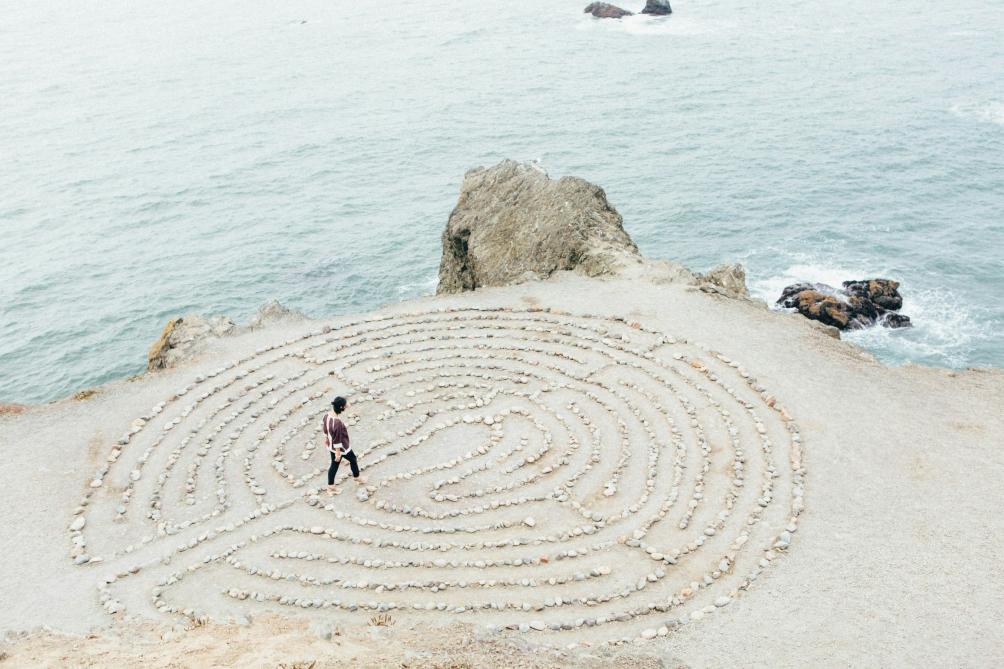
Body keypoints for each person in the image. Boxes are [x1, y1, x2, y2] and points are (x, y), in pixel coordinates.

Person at [321, 396, 363, 495]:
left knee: (334, 465)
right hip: (341, 448)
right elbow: (337, 439)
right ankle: (357, 478)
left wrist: (326, 438)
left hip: (331, 446)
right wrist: (338, 454)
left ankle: (331, 486)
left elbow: (325, 428)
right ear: (341, 408)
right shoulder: (337, 423)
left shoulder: (326, 415)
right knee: (352, 459)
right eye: (345, 405)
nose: (346, 406)